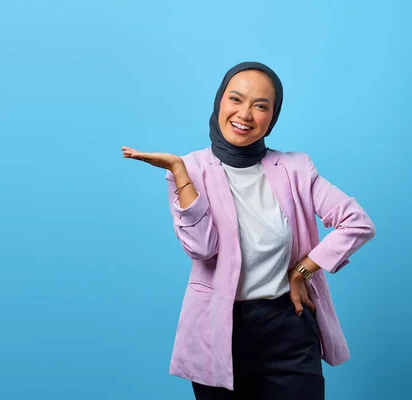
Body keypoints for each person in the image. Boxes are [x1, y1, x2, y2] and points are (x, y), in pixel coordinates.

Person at [121, 62, 376, 400]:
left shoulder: (295, 168)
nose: (245, 114)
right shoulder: (191, 169)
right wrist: (180, 172)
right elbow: (202, 249)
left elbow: (357, 223)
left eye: (261, 106)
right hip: (219, 333)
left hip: (288, 328)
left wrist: (302, 271)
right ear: (219, 102)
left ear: (273, 116)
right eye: (236, 99)